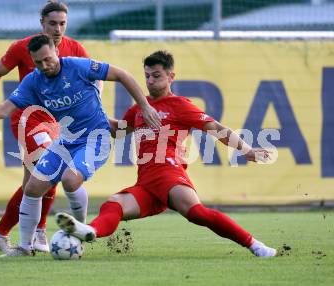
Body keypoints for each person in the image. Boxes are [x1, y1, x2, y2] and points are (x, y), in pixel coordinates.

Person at [55, 50, 277, 257]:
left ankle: (255, 245)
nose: (150, 81)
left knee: (197, 214)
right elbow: (117, 131)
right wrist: (90, 111)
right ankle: (90, 230)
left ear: (171, 76)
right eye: (147, 76)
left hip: (168, 173)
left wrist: (246, 150)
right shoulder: (140, 108)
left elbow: (217, 129)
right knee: (113, 204)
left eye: (157, 75)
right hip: (146, 182)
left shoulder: (180, 105)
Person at [0, 34, 161, 257]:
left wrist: (144, 106)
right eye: (39, 62)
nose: (45, 65)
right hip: (65, 141)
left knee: (69, 179)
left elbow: (122, 75)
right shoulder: (33, 81)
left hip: (96, 138)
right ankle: (26, 247)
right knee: (33, 187)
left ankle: (80, 232)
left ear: (56, 51)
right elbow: (6, 108)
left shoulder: (78, 66)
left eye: (48, 59)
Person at [0, 1, 93, 253]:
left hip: (54, 122)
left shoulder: (75, 48)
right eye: (52, 23)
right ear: (41, 23)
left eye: (62, 24)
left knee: (35, 183)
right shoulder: (24, 47)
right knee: (49, 170)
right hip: (26, 119)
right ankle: (30, 233)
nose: (58, 29)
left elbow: (92, 79)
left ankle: (11, 234)